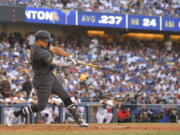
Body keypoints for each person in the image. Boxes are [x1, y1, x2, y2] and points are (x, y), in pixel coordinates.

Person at [7, 30, 88, 127]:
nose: (47, 43)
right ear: (38, 40)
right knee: (41, 106)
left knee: (65, 96)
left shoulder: (42, 45)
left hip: (50, 76)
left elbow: (55, 49)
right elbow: (57, 63)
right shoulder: (38, 52)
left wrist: (69, 56)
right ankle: (15, 114)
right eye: (45, 41)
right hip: (42, 79)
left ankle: (79, 120)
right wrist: (71, 63)